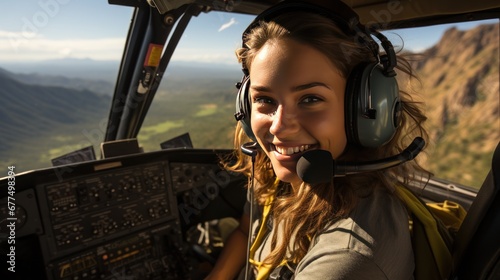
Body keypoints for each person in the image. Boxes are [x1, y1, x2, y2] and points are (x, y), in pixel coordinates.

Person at [206, 0, 429, 279]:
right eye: (264, 99)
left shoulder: (348, 258)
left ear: (364, 110)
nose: (279, 128)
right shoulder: (285, 170)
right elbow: (245, 229)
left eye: (310, 99)